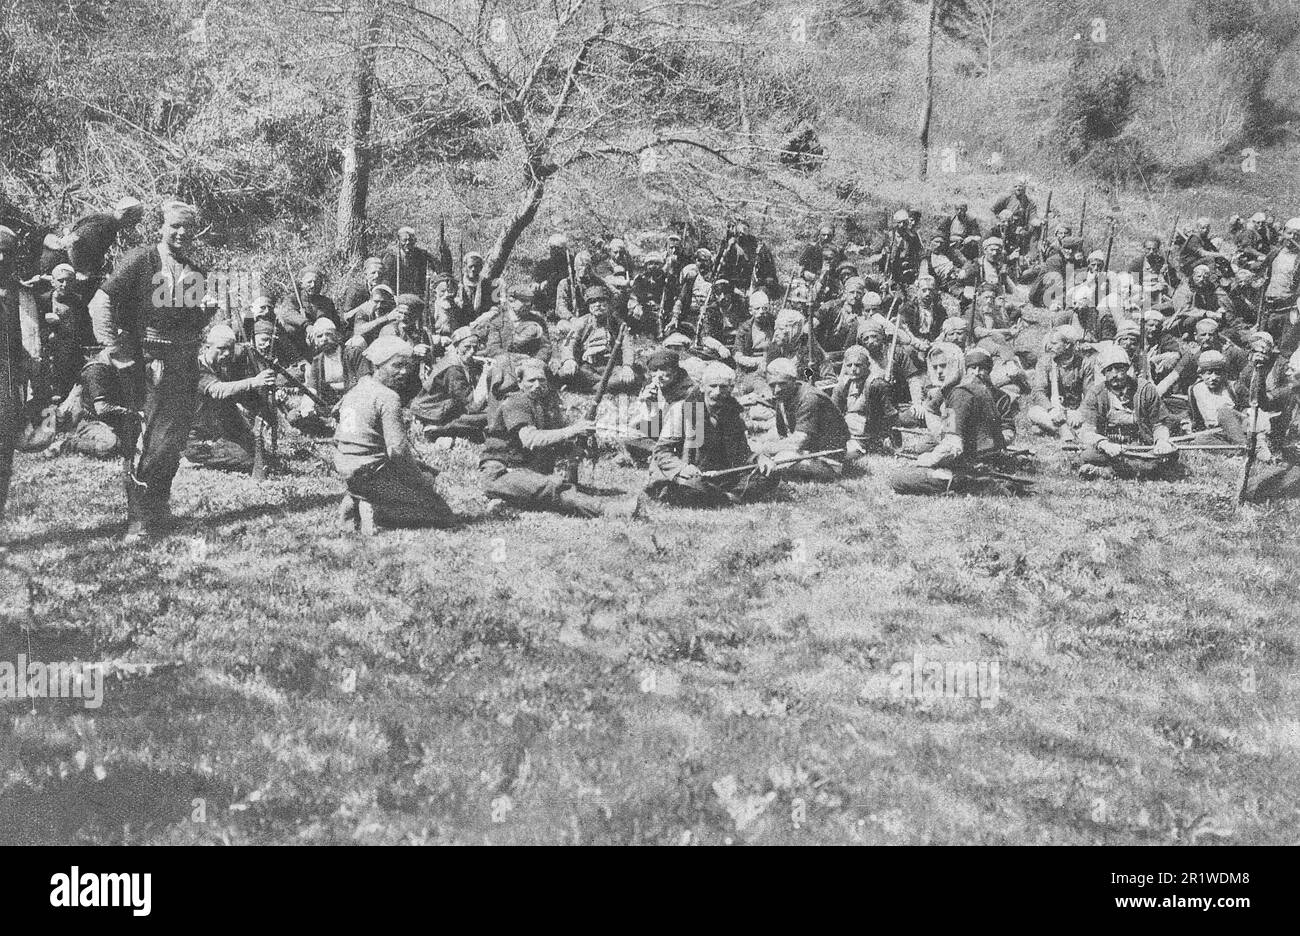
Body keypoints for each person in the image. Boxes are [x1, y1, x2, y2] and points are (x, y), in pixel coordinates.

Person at [88, 200, 211, 540]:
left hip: (184, 363)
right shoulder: (141, 259)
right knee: (146, 440)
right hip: (148, 362)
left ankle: (159, 511)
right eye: (175, 226)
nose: (182, 233)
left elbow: (189, 320)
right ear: (162, 227)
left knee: (173, 440)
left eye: (188, 227)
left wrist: (206, 313)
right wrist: (112, 349)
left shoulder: (195, 270)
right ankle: (138, 521)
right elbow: (101, 302)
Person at [478, 357, 642, 518]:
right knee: (553, 487)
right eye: (531, 381)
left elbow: (553, 440)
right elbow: (531, 440)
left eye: (542, 380)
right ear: (520, 383)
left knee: (552, 487)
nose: (538, 385)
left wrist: (577, 445)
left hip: (523, 470)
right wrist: (572, 430)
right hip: (500, 473)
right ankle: (609, 510)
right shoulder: (517, 402)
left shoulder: (543, 403)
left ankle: (508, 502)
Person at [334, 335, 454, 530]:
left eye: (407, 366)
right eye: (397, 365)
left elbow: (339, 437)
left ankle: (356, 499)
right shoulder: (388, 397)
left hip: (348, 471)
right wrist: (420, 481)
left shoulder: (354, 392)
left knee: (421, 474)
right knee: (441, 513)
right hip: (372, 474)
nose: (404, 372)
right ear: (377, 366)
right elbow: (397, 451)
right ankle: (376, 509)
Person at [888, 342, 1018, 495]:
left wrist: (926, 460)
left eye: (945, 365)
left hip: (970, 466)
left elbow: (952, 445)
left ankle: (977, 485)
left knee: (898, 479)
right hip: (983, 459)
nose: (939, 372)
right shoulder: (976, 391)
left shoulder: (960, 395)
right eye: (935, 367)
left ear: (957, 365)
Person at [646, 361, 778, 506]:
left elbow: (742, 452)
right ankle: (725, 497)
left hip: (722, 474)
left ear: (731, 389)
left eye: (723, 387)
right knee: (689, 487)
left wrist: (760, 458)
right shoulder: (682, 410)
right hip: (689, 474)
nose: (717, 392)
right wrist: (683, 468)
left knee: (770, 473)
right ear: (702, 387)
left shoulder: (732, 412)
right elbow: (661, 451)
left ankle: (721, 497)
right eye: (713, 386)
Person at [1076, 343, 1178, 480]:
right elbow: (1088, 431)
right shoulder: (1096, 394)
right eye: (1109, 370)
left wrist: (1161, 441)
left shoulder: (1145, 390)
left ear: (1127, 369)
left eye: (1119, 368)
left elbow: (1159, 424)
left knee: (1167, 455)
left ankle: (1106, 472)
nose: (1114, 374)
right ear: (1103, 373)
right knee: (1088, 455)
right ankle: (1132, 471)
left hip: (1141, 447)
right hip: (1111, 448)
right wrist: (1104, 444)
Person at [183, 324, 276, 472]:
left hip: (217, 433)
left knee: (261, 456)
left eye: (230, 349)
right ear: (207, 348)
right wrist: (254, 381)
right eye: (221, 349)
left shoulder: (221, 369)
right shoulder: (196, 368)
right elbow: (218, 391)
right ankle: (192, 459)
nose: (226, 354)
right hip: (195, 439)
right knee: (249, 460)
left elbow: (233, 402)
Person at [758, 357, 852, 479]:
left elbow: (798, 441)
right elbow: (783, 434)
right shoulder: (783, 396)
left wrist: (765, 450)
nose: (777, 389)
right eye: (772, 385)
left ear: (793, 380)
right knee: (767, 455)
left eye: (782, 384)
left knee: (778, 461)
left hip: (828, 460)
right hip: (808, 452)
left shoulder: (809, 398)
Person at [409, 326, 488, 442]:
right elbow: (473, 406)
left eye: (475, 348)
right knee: (488, 415)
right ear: (457, 345)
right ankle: (436, 430)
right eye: (467, 347)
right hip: (430, 414)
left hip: (440, 409)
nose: (472, 351)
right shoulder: (453, 369)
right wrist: (485, 374)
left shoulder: (456, 359)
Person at [625, 347, 696, 464]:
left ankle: (661, 455)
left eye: (663, 369)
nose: (658, 375)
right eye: (654, 370)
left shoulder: (689, 388)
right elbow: (640, 423)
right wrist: (646, 403)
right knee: (628, 434)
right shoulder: (650, 386)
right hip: (660, 433)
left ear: (675, 370)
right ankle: (659, 454)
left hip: (680, 436)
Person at [1026, 325, 1093, 440]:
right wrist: (1051, 410)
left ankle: (1052, 428)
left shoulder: (1084, 363)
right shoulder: (1045, 362)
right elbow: (1038, 391)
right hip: (1052, 410)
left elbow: (1090, 394)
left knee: (1091, 419)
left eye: (1054, 343)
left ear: (1067, 345)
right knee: (1034, 412)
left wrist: (1080, 412)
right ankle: (1064, 429)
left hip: (1074, 411)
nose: (1049, 347)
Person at [380, 227, 435, 299]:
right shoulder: (391, 257)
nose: (408, 243)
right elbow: (385, 280)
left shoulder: (421, 254)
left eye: (410, 240)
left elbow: (436, 264)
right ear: (398, 241)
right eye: (404, 240)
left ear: (415, 241)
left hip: (416, 297)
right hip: (397, 297)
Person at [338, 257, 385, 321]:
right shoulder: (355, 290)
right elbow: (345, 317)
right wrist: (366, 306)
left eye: (380, 273)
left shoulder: (384, 290)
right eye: (373, 273)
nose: (377, 276)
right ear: (365, 274)